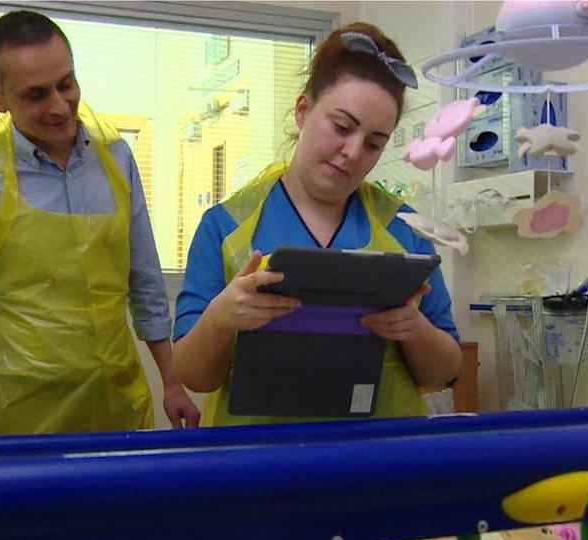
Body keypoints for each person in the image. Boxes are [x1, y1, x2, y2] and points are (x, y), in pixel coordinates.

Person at [172, 23, 462, 426]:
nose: (353, 152)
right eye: (342, 127)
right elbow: (193, 377)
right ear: (303, 109)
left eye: (375, 143)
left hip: (379, 465)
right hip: (259, 467)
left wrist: (414, 328)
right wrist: (221, 317)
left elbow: (443, 371)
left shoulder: (403, 230)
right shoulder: (227, 227)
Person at [0, 10, 199, 436]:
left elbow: (144, 279)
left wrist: (172, 382)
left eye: (66, 84)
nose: (59, 106)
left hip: (116, 407)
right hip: (17, 418)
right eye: (35, 95)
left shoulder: (117, 159)